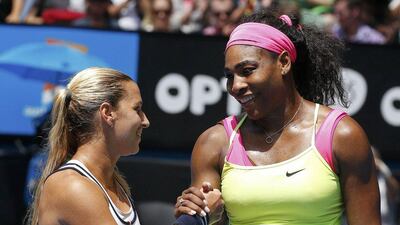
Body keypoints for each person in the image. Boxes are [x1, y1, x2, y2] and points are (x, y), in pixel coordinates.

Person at [174, 9, 381, 225]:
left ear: (283, 62)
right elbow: (206, 217)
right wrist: (199, 217)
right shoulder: (213, 143)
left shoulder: (343, 136)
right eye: (229, 76)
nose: (235, 86)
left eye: (247, 70)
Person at [25, 67, 150, 225]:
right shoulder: (72, 186)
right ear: (108, 113)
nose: (145, 121)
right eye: (137, 109)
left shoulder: (115, 185)